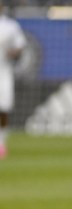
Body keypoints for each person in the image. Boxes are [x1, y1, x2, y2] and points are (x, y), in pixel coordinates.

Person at [0, 1, 26, 159]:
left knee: (3, 108)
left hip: (3, 72)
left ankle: (1, 142)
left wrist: (14, 52)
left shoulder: (11, 26)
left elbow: (20, 45)